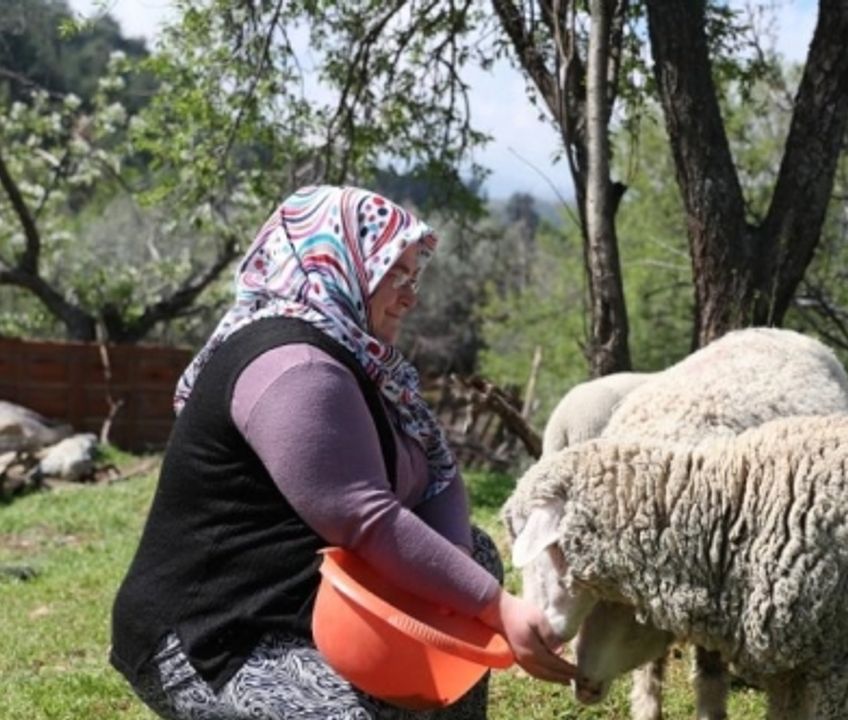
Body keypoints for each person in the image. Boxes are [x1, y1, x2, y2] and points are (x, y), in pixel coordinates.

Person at [110, 185, 574, 719]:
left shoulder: (363, 361)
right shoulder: (294, 366)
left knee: (472, 552)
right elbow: (362, 517)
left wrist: (450, 601)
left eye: (413, 275)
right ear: (335, 263)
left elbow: (436, 480)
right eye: (393, 274)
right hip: (216, 633)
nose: (410, 295)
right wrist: (496, 608)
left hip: (304, 603)